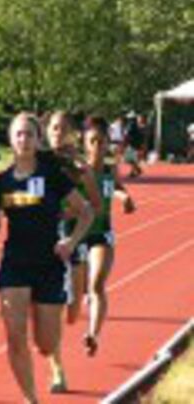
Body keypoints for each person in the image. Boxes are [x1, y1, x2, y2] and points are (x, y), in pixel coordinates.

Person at [0, 112, 94, 403]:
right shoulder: (1, 182)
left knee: (46, 345)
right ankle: (31, 398)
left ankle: (49, 351)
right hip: (15, 265)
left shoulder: (52, 176)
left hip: (49, 264)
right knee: (14, 337)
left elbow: (86, 211)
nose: (23, 139)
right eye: (18, 134)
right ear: (11, 139)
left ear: (38, 140)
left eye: (29, 134)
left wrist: (71, 242)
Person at [43, 110, 102, 392]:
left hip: (73, 241)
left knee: (72, 311)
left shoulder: (79, 165)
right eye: (54, 127)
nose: (57, 132)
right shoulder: (39, 160)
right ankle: (57, 370)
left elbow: (96, 204)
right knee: (52, 310)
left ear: (72, 133)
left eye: (63, 128)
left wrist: (68, 213)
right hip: (45, 242)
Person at [74, 116, 136, 356]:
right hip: (77, 234)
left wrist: (125, 198)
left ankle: (92, 334)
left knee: (97, 284)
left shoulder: (110, 170)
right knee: (79, 292)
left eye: (102, 141)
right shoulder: (78, 171)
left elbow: (116, 188)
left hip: (101, 234)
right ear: (85, 143)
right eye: (93, 141)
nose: (98, 147)